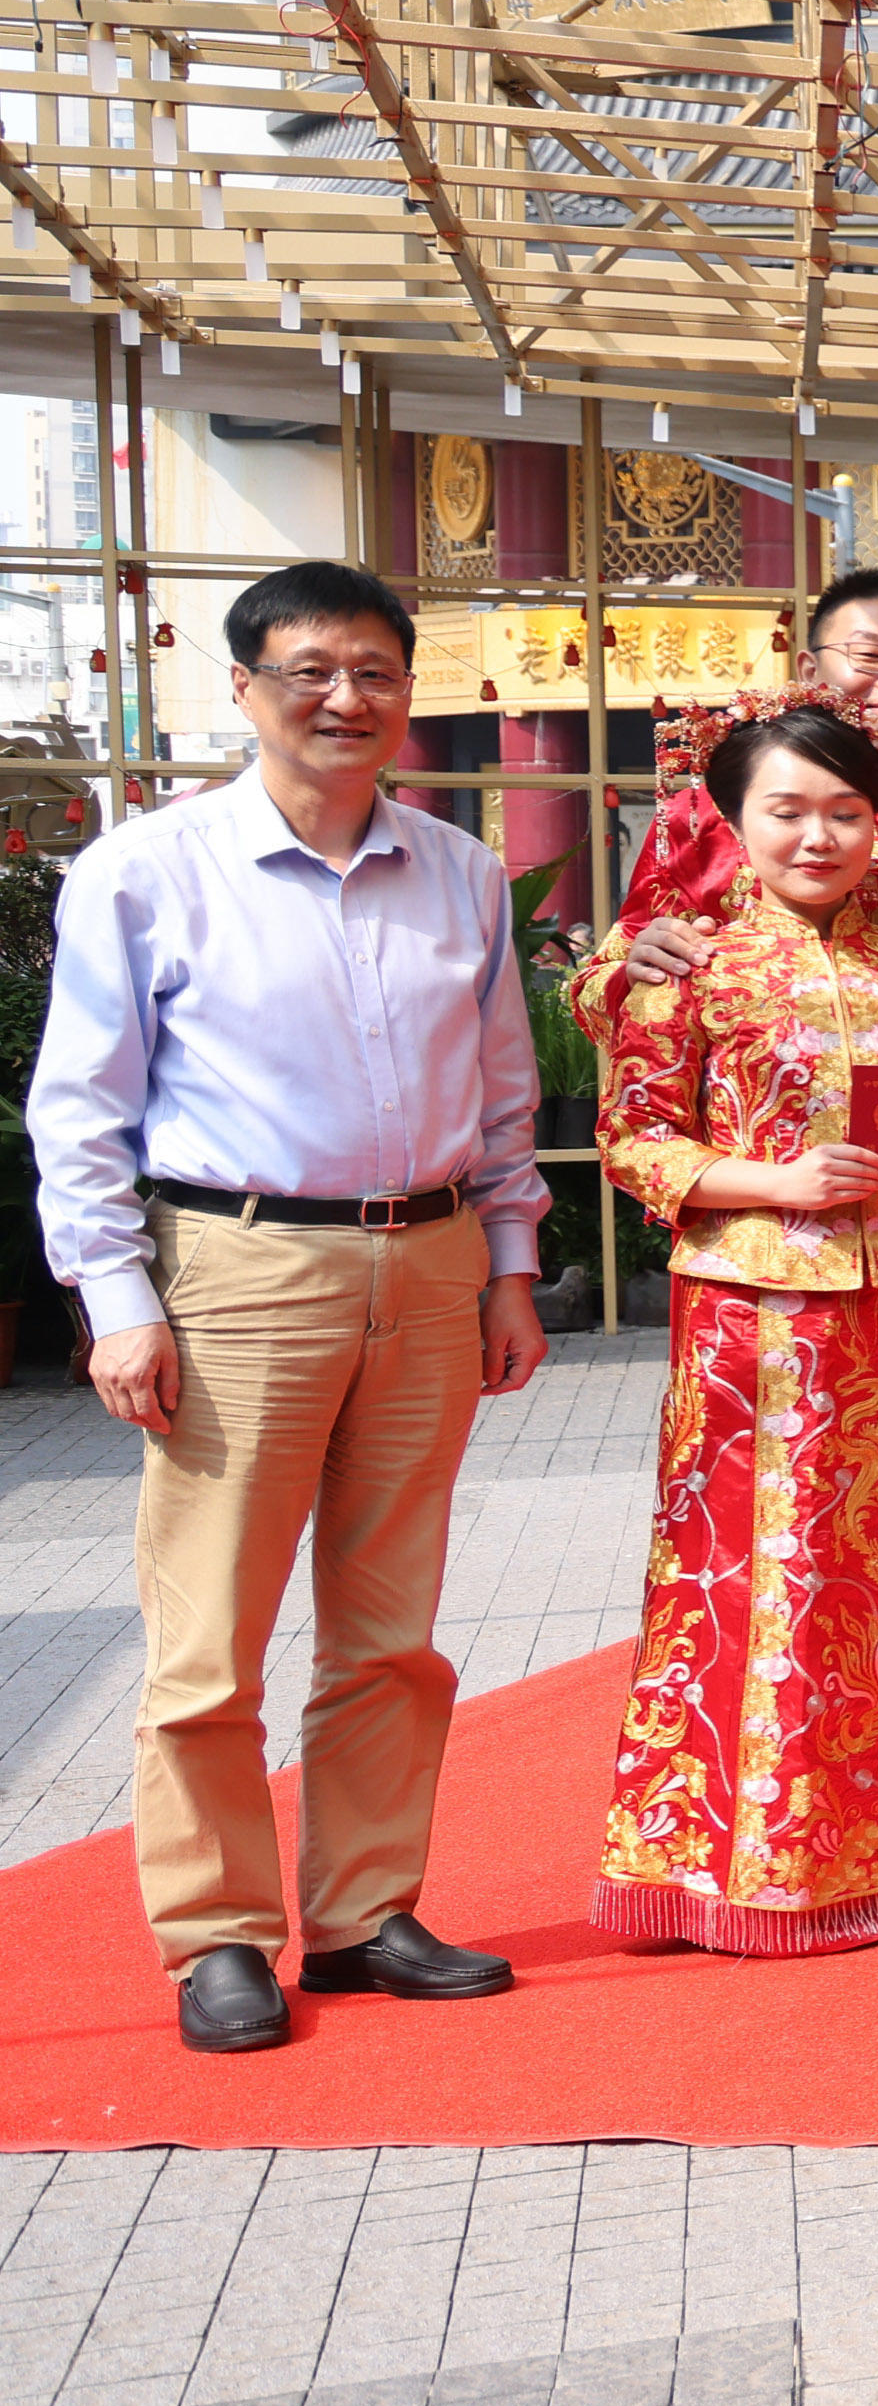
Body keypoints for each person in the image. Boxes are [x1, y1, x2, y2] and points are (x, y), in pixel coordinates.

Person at [30, 560, 554, 2053]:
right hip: (240, 1268)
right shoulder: (147, 870)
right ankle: (215, 1934)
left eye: (374, 670)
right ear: (244, 686)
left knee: (392, 1629)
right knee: (212, 1634)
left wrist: (512, 1267)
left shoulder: (458, 870)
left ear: (407, 689)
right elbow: (80, 1108)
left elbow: (502, 1091)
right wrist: (118, 1298)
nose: (345, 697)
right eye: (310, 669)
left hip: (432, 1263)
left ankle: (364, 1913)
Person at [588, 707, 878, 1956]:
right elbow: (632, 1138)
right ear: (733, 819)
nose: (817, 835)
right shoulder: (692, 967)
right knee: (752, 1573)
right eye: (786, 809)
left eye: (844, 811)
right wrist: (779, 1182)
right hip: (752, 1322)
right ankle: (735, 1864)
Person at [571, 562, 878, 1047]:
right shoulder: (703, 817)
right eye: (868, 655)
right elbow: (599, 1002)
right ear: (809, 672)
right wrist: (639, 968)